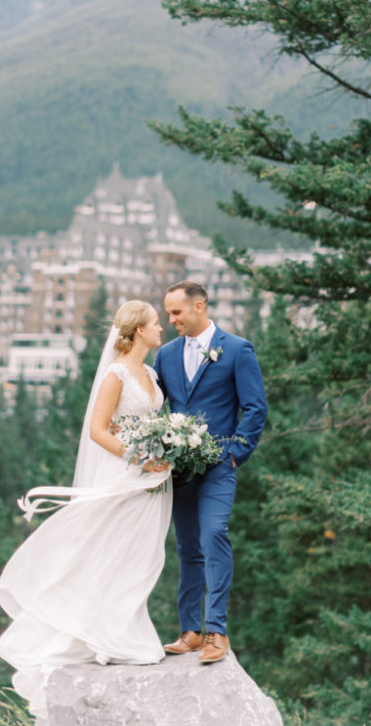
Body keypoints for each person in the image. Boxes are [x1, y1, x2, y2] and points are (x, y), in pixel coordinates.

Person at [0, 301, 171, 721]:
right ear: (139, 331)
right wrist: (138, 457)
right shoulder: (117, 374)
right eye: (156, 323)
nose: (161, 328)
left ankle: (124, 626)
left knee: (141, 556)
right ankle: (100, 634)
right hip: (126, 473)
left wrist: (167, 449)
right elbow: (96, 429)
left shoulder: (152, 374)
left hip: (154, 481)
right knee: (108, 549)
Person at [153, 280, 267, 664]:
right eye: (168, 313)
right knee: (187, 548)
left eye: (176, 312)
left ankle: (217, 631)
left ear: (199, 306)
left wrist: (235, 453)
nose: (171, 321)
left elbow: (255, 408)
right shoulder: (166, 355)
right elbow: (157, 407)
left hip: (220, 465)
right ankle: (190, 631)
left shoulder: (237, 349)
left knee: (214, 534)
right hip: (180, 470)